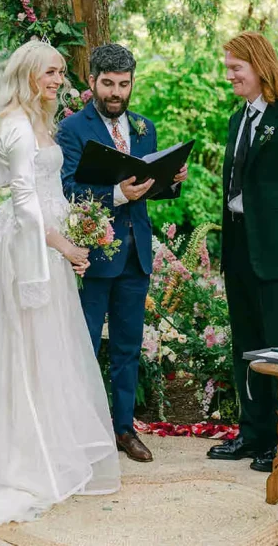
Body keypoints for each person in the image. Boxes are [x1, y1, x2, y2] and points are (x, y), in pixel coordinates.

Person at [0, 41, 120, 523]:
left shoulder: (39, 122)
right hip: (30, 250)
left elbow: (51, 191)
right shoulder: (14, 124)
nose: (58, 80)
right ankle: (23, 458)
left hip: (47, 244)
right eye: (51, 72)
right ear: (29, 73)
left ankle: (51, 443)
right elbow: (26, 202)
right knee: (26, 349)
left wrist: (80, 226)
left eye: (61, 72)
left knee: (50, 346)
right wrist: (65, 246)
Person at [57, 43, 187, 464]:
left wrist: (173, 179)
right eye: (108, 83)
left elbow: (153, 187)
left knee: (129, 347)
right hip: (92, 256)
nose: (116, 92)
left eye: (124, 84)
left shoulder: (146, 127)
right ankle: (79, 431)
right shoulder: (72, 130)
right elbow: (65, 190)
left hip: (137, 255)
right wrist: (115, 194)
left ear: (132, 84)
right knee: (85, 346)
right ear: (92, 81)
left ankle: (124, 429)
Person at [207, 31, 278, 473]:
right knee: (246, 343)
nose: (230, 75)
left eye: (236, 68)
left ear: (260, 66)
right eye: (229, 68)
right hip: (239, 245)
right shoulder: (238, 121)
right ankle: (252, 433)